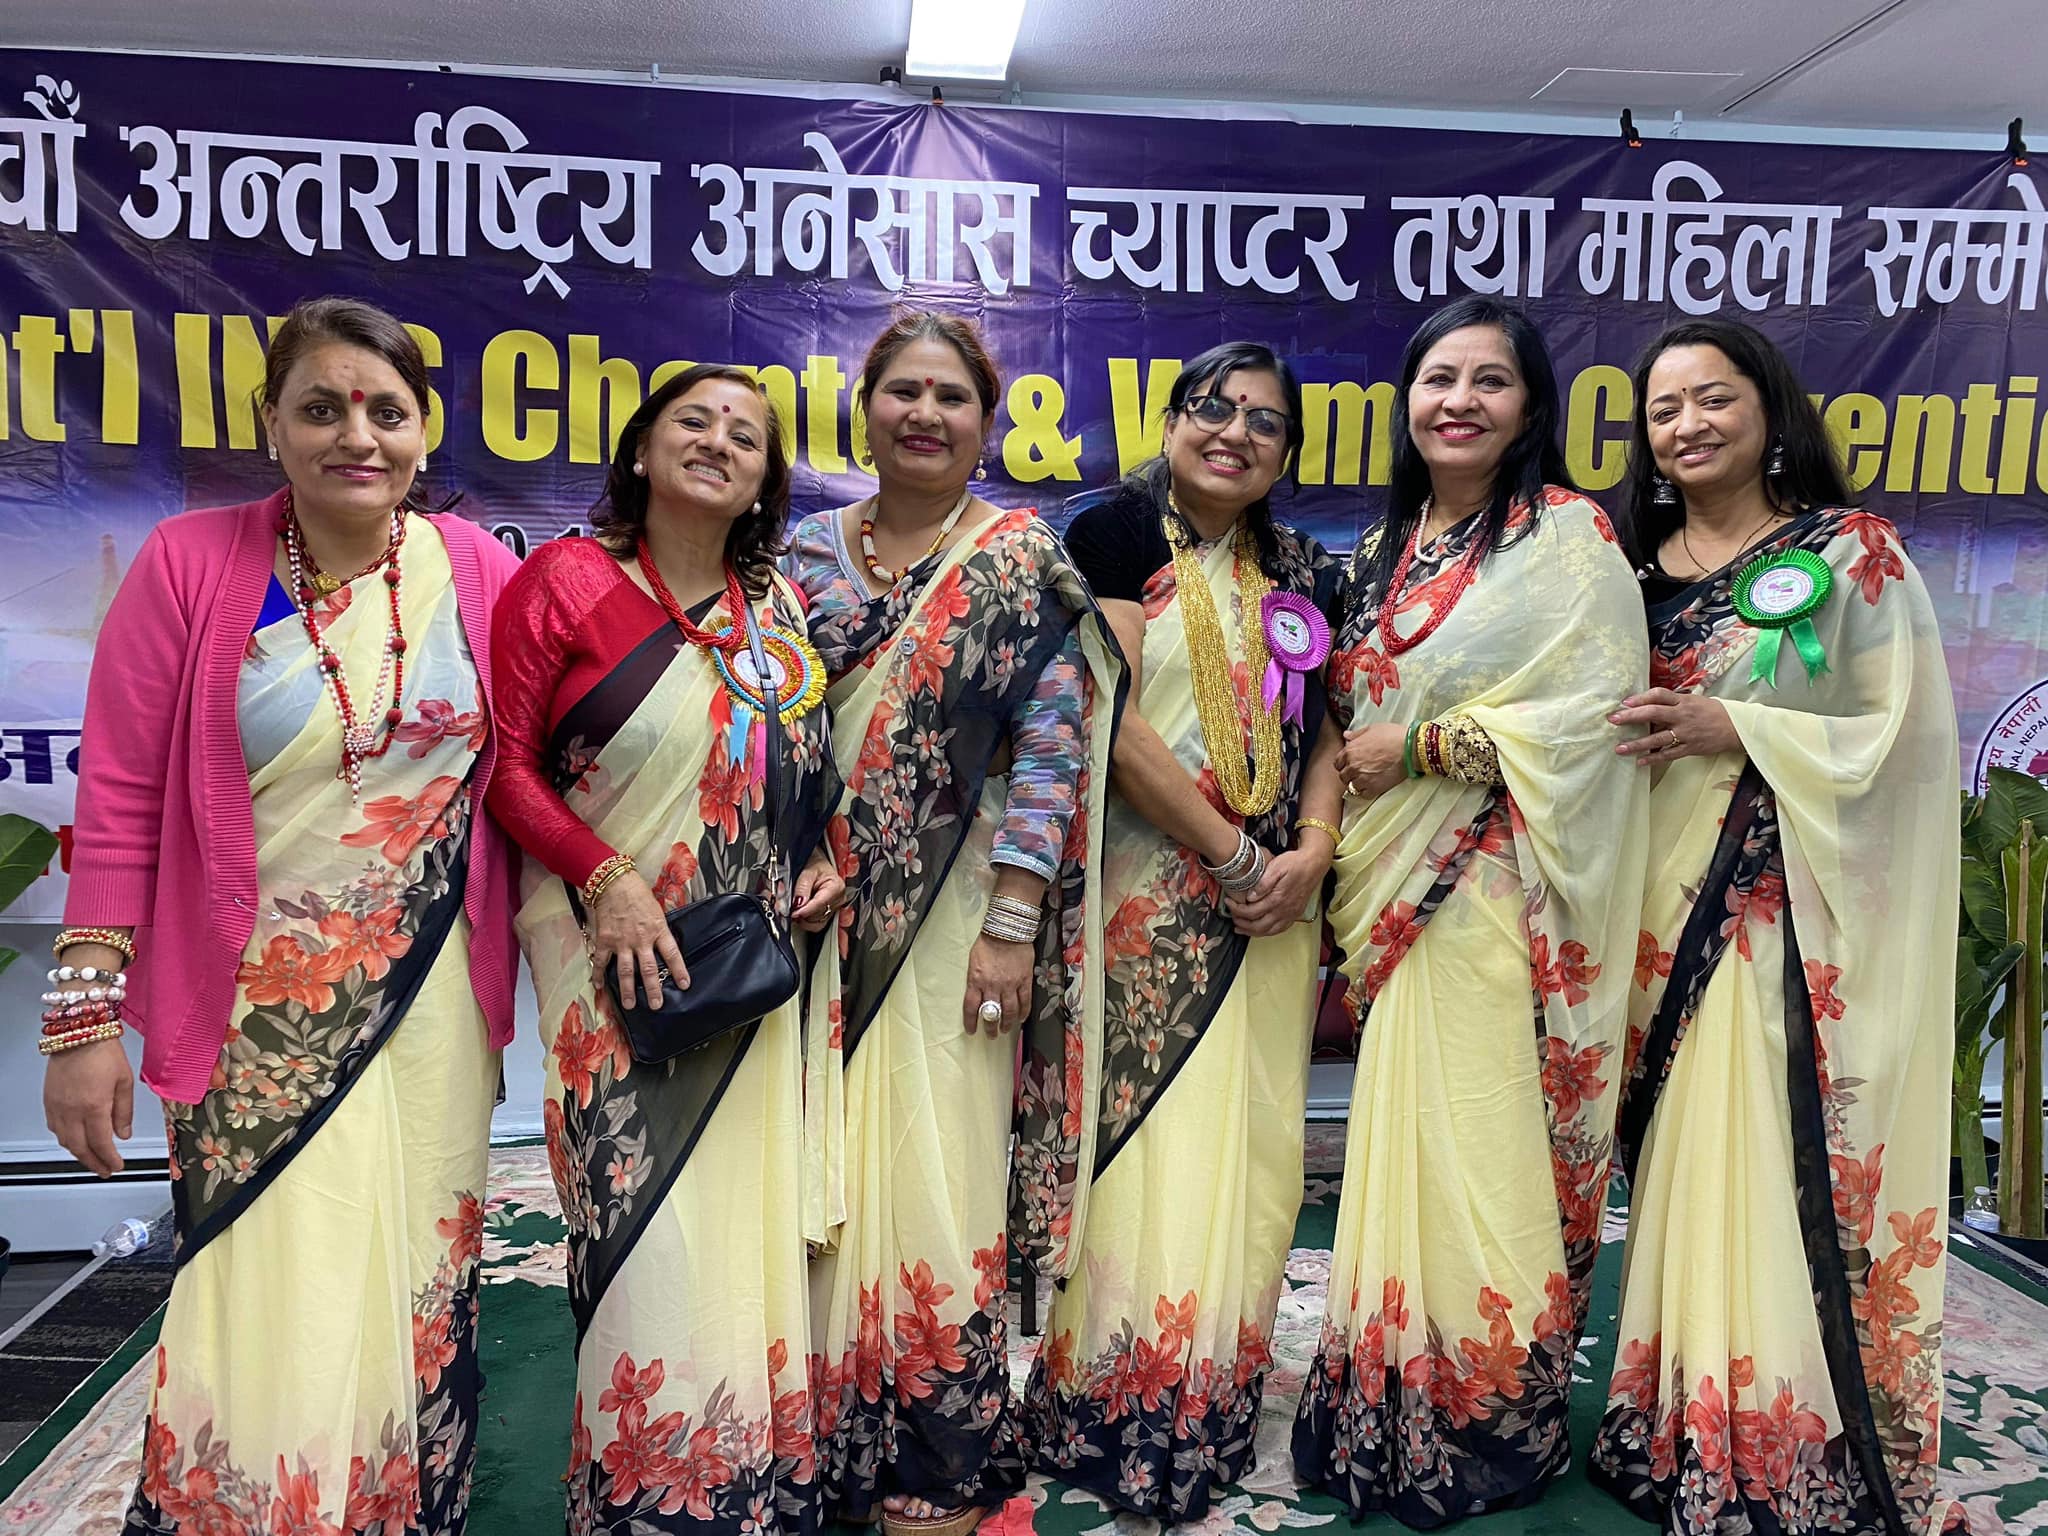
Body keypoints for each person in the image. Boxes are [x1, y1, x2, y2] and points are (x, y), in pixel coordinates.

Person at [37, 296, 521, 1534]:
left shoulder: (475, 569)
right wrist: (83, 1020)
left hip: (426, 1002)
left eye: (385, 410)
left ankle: (395, 1511)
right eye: (321, 408)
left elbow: (549, 769)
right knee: (273, 1276)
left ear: (424, 428)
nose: (356, 436)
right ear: (271, 424)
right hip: (254, 1012)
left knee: (416, 1266)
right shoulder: (191, 563)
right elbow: (120, 795)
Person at [1592, 320, 1958, 1536]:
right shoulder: (1621, 569)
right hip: (1644, 912)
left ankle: (1763, 1437)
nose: (1686, 425)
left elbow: (1900, 739)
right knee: (1676, 1167)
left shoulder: (1849, 555)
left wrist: (1738, 728)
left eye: (1712, 398)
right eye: (1662, 409)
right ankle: (1675, 1415)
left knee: (1747, 1153)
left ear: (1768, 409)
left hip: (1771, 917)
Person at [1290, 296, 1649, 1525]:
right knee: (1403, 1143)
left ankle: (1482, 1410)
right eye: (1437, 378)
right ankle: (1387, 1391)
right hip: (1389, 893)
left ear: (1528, 406)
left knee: (1483, 1144)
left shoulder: (1566, 537)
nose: (1458, 401)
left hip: (1498, 891)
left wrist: (1429, 746)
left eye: (1487, 380)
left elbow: (1599, 711)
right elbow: (1339, 714)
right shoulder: (1379, 551)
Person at [487, 365, 846, 1535]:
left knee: (743, 1229)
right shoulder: (566, 580)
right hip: (608, 967)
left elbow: (802, 773)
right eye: (694, 420)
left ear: (763, 483)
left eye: (746, 435)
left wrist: (819, 854)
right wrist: (607, 879)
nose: (718, 441)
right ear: (641, 449)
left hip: (748, 975)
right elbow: (506, 769)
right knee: (639, 1232)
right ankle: (650, 1501)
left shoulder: (774, 612)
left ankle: (747, 1489)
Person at [785, 311, 1122, 1536]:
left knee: (939, 1169)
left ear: (987, 423)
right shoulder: (800, 558)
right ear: (863, 407)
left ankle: (937, 1445)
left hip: (959, 914)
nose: (923, 414)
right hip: (815, 923)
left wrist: (1013, 916)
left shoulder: (1020, 559)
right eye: (902, 391)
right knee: (816, 1172)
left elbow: (1053, 747)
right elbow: (766, 731)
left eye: (950, 397)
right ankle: (820, 1436)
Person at [1019, 342, 1343, 1519]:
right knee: (1145, 1149)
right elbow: (1107, 716)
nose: (1233, 432)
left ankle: (1208, 1394)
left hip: (1272, 913)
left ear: (1286, 452)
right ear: (1168, 420)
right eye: (1212, 407)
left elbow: (1323, 733)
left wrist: (1309, 852)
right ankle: (1111, 1399)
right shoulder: (1112, 533)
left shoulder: (1305, 570)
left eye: (1263, 420)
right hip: (1145, 900)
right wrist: (1232, 852)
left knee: (1249, 1156)